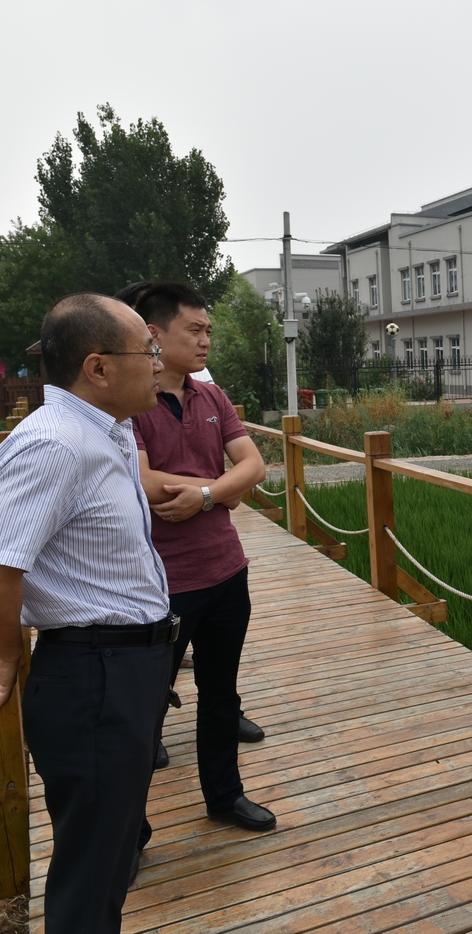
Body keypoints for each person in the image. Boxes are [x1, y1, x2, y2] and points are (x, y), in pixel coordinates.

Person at [0, 293, 176, 933]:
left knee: (107, 862)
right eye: (149, 351)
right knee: (90, 877)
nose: (160, 363)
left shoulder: (103, 433)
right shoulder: (55, 445)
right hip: (95, 677)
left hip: (121, 669)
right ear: (98, 367)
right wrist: (9, 650)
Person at [127, 281, 275, 833]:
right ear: (154, 334)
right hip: (163, 582)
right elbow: (143, 483)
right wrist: (222, 487)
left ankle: (225, 796)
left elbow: (254, 467)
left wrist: (207, 495)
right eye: (194, 330)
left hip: (226, 570)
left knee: (220, 693)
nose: (205, 340)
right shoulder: (132, 404)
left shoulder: (212, 397)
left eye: (208, 330)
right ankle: (130, 829)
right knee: (143, 707)